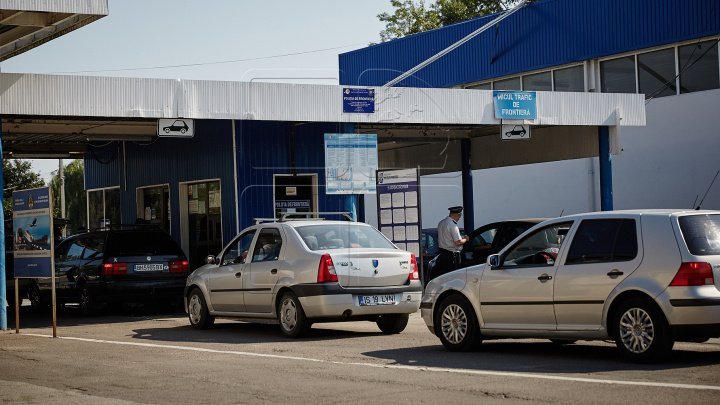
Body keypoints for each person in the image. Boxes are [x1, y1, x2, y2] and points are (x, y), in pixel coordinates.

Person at [431, 206, 469, 280]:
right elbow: (458, 242)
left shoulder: (441, 223)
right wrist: (466, 239)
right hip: (452, 255)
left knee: (444, 276)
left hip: (442, 254)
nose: (459, 218)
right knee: (453, 277)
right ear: (457, 215)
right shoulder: (452, 225)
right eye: (459, 216)